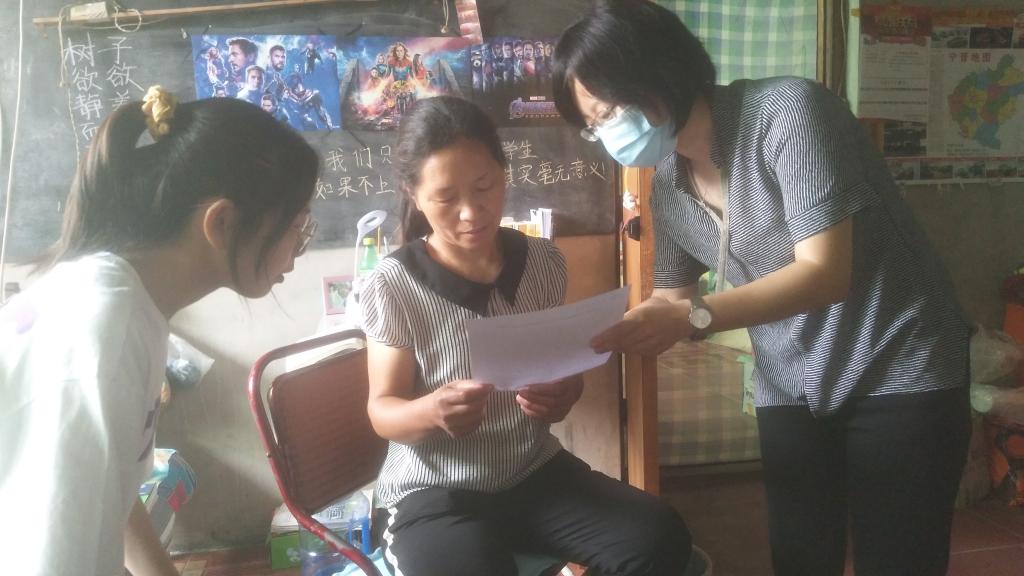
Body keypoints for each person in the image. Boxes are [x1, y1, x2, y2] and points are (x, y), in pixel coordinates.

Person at [552, 1, 971, 575]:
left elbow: (824, 271)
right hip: (791, 381)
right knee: (800, 555)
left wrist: (692, 317)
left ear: (658, 72)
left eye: (608, 113)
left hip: (898, 361)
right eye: (593, 125)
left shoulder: (788, 113)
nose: (607, 135)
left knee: (899, 558)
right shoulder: (669, 184)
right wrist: (600, 336)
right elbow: (672, 297)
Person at [360, 95, 702, 576]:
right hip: (435, 492)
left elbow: (562, 372)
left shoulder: (542, 262)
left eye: (485, 186)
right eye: (446, 198)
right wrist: (431, 411)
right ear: (413, 193)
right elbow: (382, 411)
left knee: (658, 536)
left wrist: (563, 393)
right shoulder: (394, 283)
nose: (471, 212)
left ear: (504, 173)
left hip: (532, 472)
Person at [0, 86, 319, 576]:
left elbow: (114, 488)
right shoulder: (104, 333)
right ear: (223, 223)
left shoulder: (126, 302)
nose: (299, 248)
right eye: (297, 226)